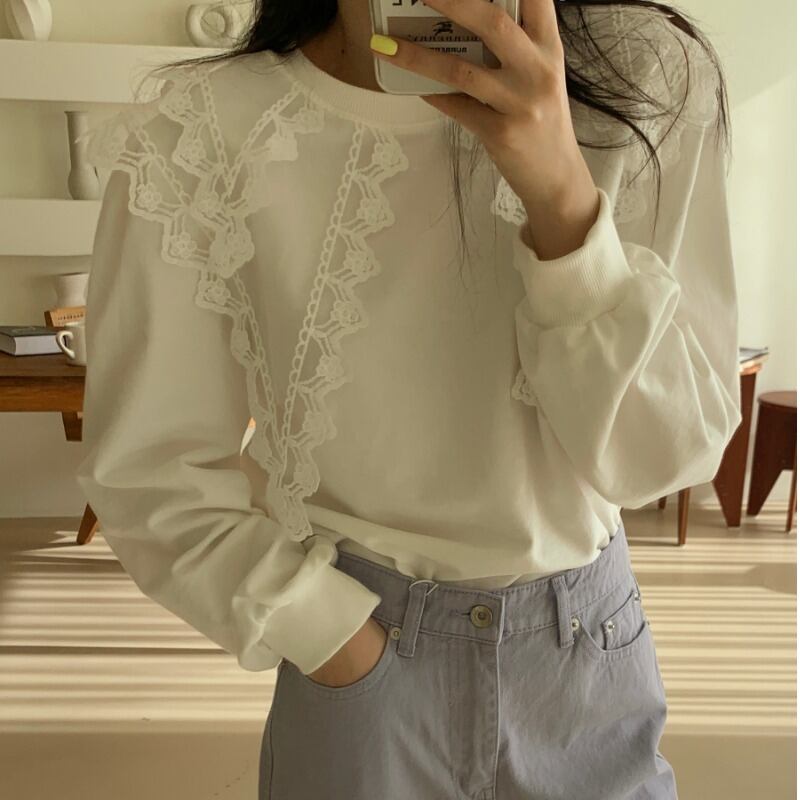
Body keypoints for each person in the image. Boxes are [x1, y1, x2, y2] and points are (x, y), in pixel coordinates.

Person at [76, 0, 742, 797]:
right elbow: (153, 467)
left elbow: (663, 457)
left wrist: (563, 196)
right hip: (362, 671)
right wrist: (330, 636)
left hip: (586, 662)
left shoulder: (651, 79)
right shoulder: (205, 131)